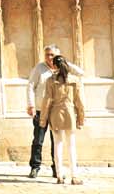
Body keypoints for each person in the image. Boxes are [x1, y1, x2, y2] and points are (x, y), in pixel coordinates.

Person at [26, 42, 82, 179]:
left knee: (56, 142)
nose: (49, 58)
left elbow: (81, 73)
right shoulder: (39, 69)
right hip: (40, 110)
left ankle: (56, 169)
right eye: (47, 55)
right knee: (38, 140)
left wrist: (64, 62)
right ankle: (35, 167)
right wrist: (31, 105)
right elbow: (30, 86)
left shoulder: (63, 70)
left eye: (52, 55)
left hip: (56, 112)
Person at [38, 52, 85, 185]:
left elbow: (47, 100)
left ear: (54, 66)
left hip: (55, 114)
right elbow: (79, 101)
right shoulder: (74, 80)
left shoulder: (51, 80)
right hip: (70, 114)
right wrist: (81, 118)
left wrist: (43, 119)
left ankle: (59, 176)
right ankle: (74, 176)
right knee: (71, 146)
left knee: (58, 145)